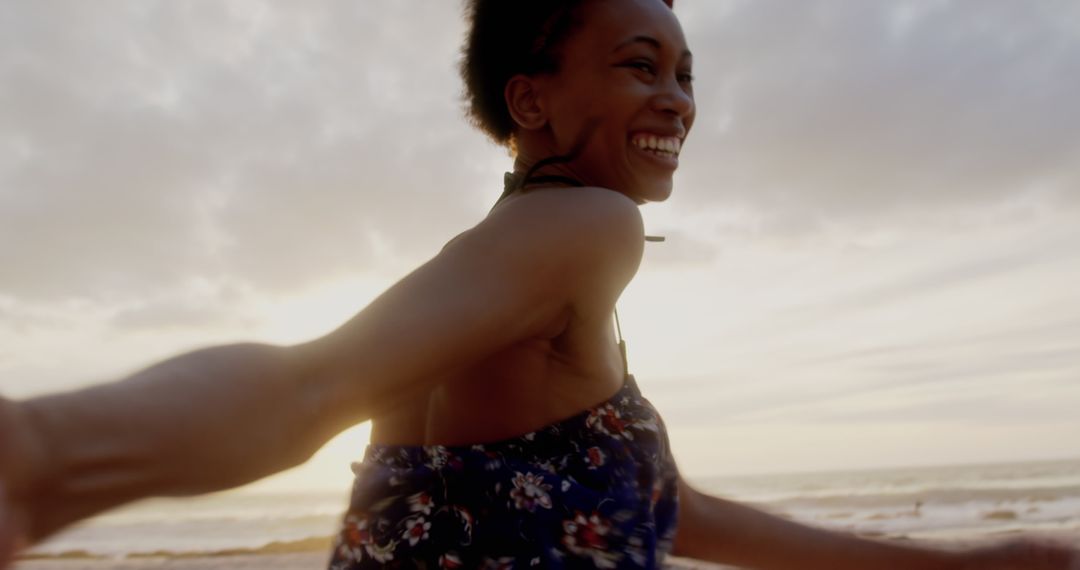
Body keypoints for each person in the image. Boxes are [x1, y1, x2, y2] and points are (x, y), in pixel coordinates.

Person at [1, 0, 1077, 568]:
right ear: (533, 103)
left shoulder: (503, 271)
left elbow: (667, 513)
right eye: (636, 64)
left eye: (685, 72)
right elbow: (309, 388)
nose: (677, 99)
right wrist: (43, 457)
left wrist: (960, 564)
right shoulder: (589, 226)